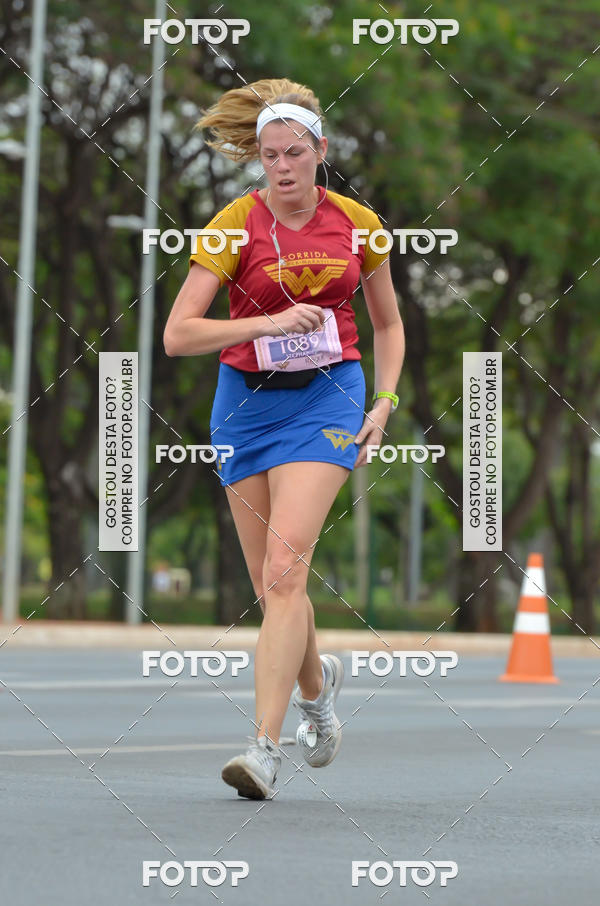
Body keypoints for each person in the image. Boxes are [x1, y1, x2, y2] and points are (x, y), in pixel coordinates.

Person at [163, 78, 405, 800]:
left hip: (329, 398)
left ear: (321, 150)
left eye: (295, 153)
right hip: (245, 407)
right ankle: (317, 690)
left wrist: (384, 403)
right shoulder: (233, 225)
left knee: (285, 566)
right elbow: (178, 335)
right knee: (274, 586)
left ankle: (262, 750)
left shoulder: (359, 223)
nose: (282, 166)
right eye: (269, 156)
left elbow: (388, 324)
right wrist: (264, 323)